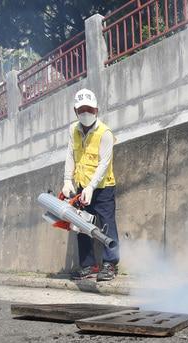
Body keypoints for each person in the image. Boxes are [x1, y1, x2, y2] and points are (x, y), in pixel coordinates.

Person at [62, 88, 120, 281]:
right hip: (81, 186)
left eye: (90, 109)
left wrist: (91, 187)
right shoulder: (73, 130)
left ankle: (110, 265)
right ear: (75, 111)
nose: (86, 113)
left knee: (106, 224)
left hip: (103, 188)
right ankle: (88, 265)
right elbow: (70, 154)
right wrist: (67, 180)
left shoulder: (105, 133)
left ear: (97, 110)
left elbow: (104, 164)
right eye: (82, 110)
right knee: (81, 225)